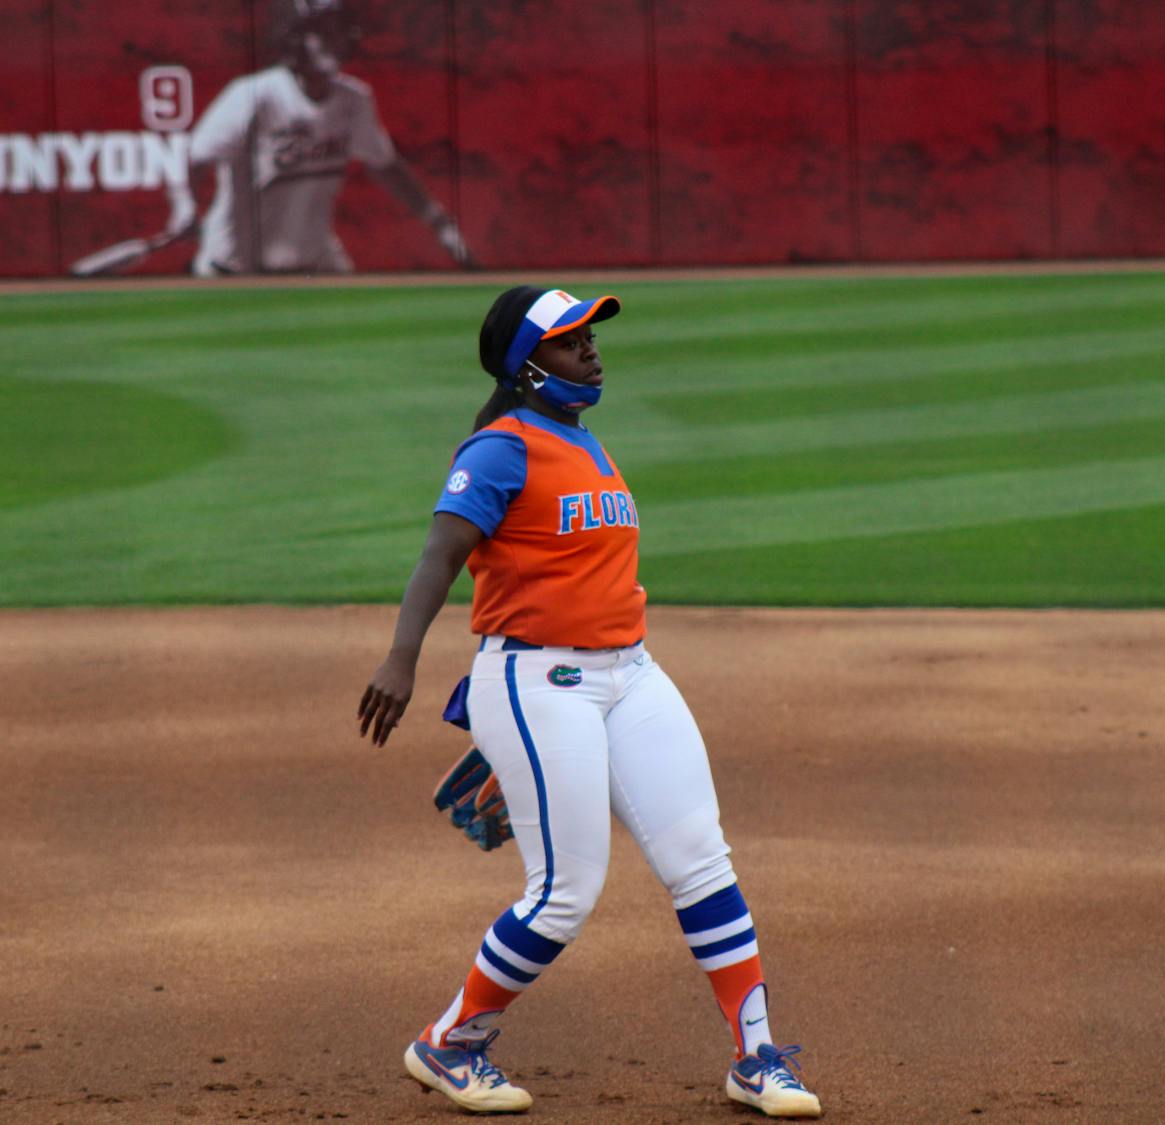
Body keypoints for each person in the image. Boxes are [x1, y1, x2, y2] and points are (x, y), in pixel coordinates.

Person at [355, 286, 823, 1119]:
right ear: (528, 365)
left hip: (632, 676)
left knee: (701, 858)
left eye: (590, 336)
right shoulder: (499, 449)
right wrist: (402, 660)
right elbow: (439, 555)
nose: (592, 350)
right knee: (567, 888)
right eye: (572, 341)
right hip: (537, 681)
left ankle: (756, 1056)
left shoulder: (585, 442)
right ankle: (448, 1042)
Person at [164, 0, 472, 275]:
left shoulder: (354, 99)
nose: (335, 42)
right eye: (323, 33)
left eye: (339, 32)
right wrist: (183, 205)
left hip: (314, 260)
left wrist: (437, 220)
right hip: (235, 264)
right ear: (295, 39)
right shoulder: (254, 96)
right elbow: (192, 158)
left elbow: (384, 164)